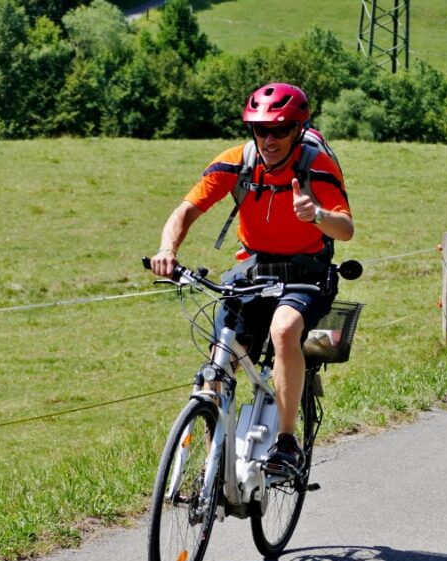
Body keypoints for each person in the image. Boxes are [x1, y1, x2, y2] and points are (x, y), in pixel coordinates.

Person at [150, 82, 354, 471]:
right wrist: (167, 250)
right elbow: (187, 210)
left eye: (280, 130)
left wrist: (317, 216)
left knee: (282, 331)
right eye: (261, 129)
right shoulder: (236, 161)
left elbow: (345, 229)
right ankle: (215, 463)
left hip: (305, 275)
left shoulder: (317, 166)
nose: (270, 138)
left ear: (297, 129)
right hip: (253, 271)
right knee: (220, 355)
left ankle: (286, 442)